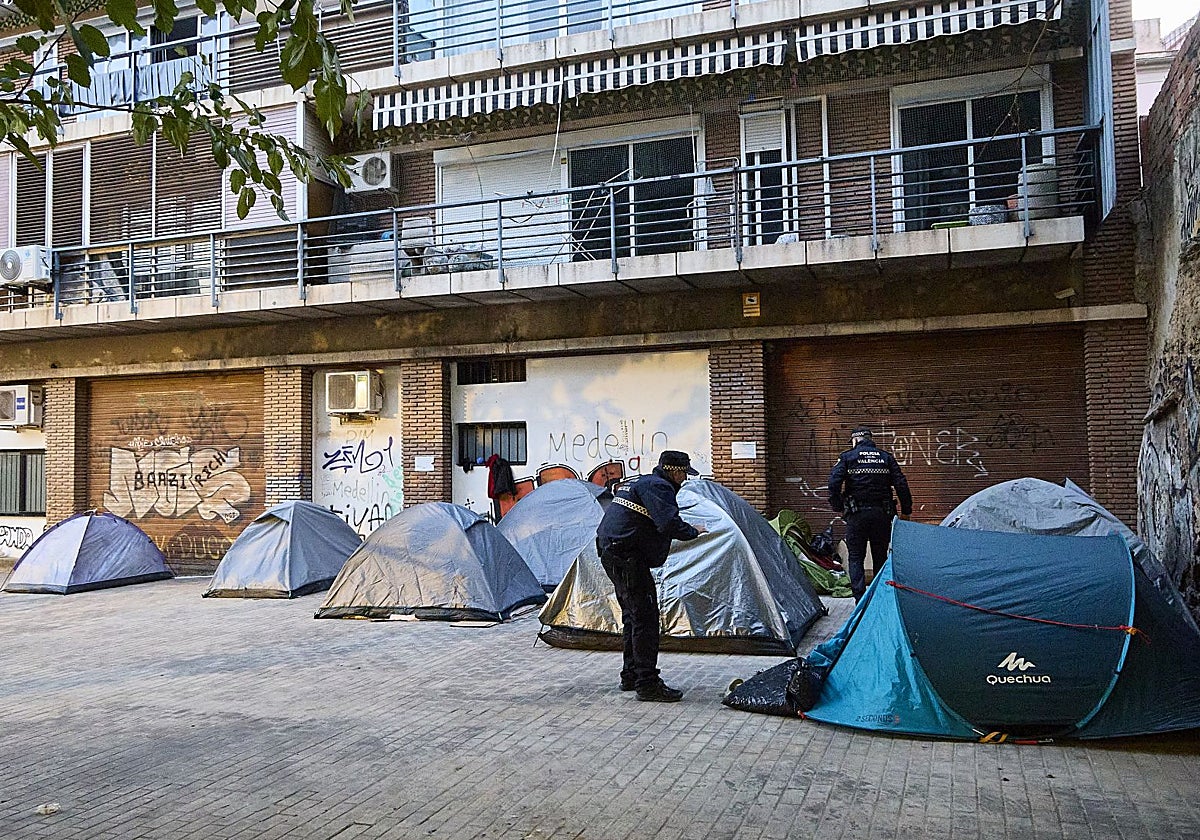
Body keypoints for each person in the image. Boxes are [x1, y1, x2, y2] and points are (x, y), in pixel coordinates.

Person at [595, 450, 708, 702]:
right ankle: (647, 683)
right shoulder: (660, 486)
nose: (684, 480)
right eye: (684, 474)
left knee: (633, 616)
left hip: (610, 550)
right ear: (674, 472)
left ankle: (631, 675)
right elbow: (668, 523)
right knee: (645, 618)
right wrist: (693, 531)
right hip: (627, 556)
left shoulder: (641, 481)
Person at [827, 426, 912, 603]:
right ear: (869, 439)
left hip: (856, 515)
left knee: (856, 556)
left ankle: (860, 599)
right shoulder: (885, 457)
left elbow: (833, 483)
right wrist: (906, 511)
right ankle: (879, 596)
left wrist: (839, 506)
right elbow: (901, 484)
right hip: (882, 514)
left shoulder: (847, 457)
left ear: (855, 440)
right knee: (880, 555)